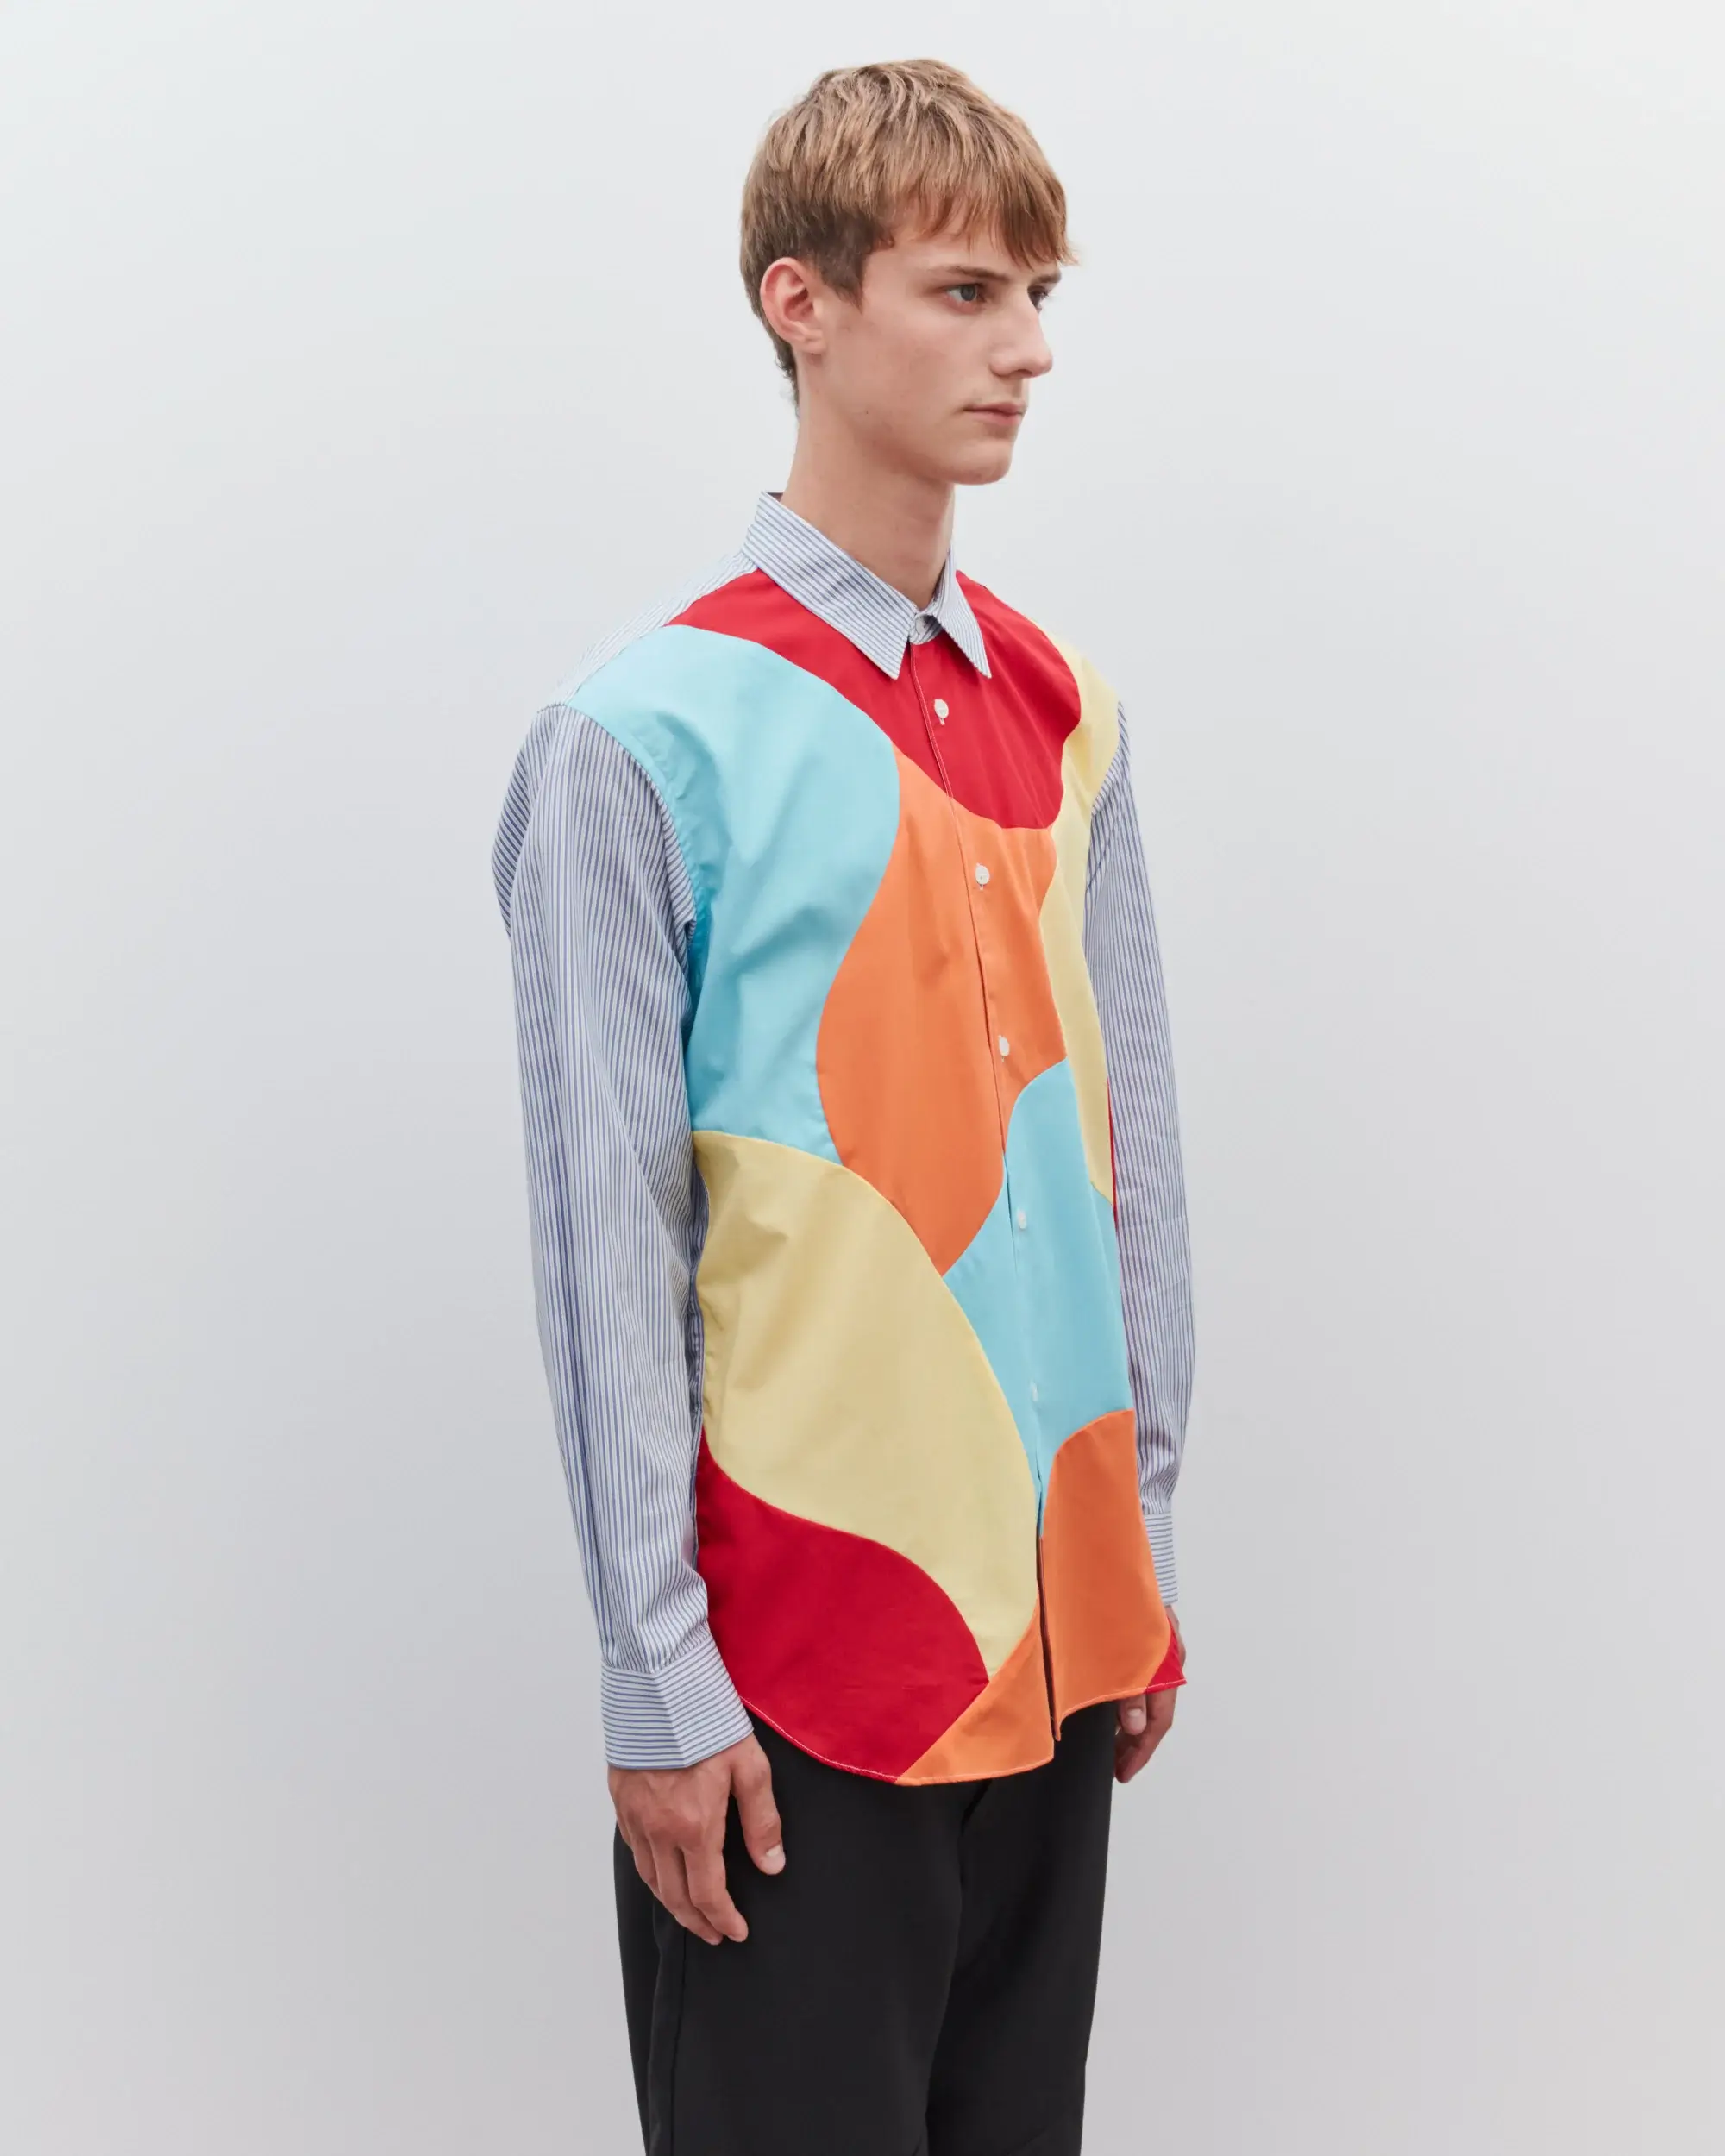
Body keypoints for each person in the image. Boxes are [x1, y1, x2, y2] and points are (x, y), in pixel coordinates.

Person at [492, 56, 1195, 2156]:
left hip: (1058, 1643)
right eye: (967, 292)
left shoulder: (1068, 712)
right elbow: (607, 1241)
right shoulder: (635, 739)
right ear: (798, 304)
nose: (1027, 348)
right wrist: (657, 1678)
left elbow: (1127, 1161)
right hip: (793, 1687)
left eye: (1039, 293)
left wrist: (1142, 1544)